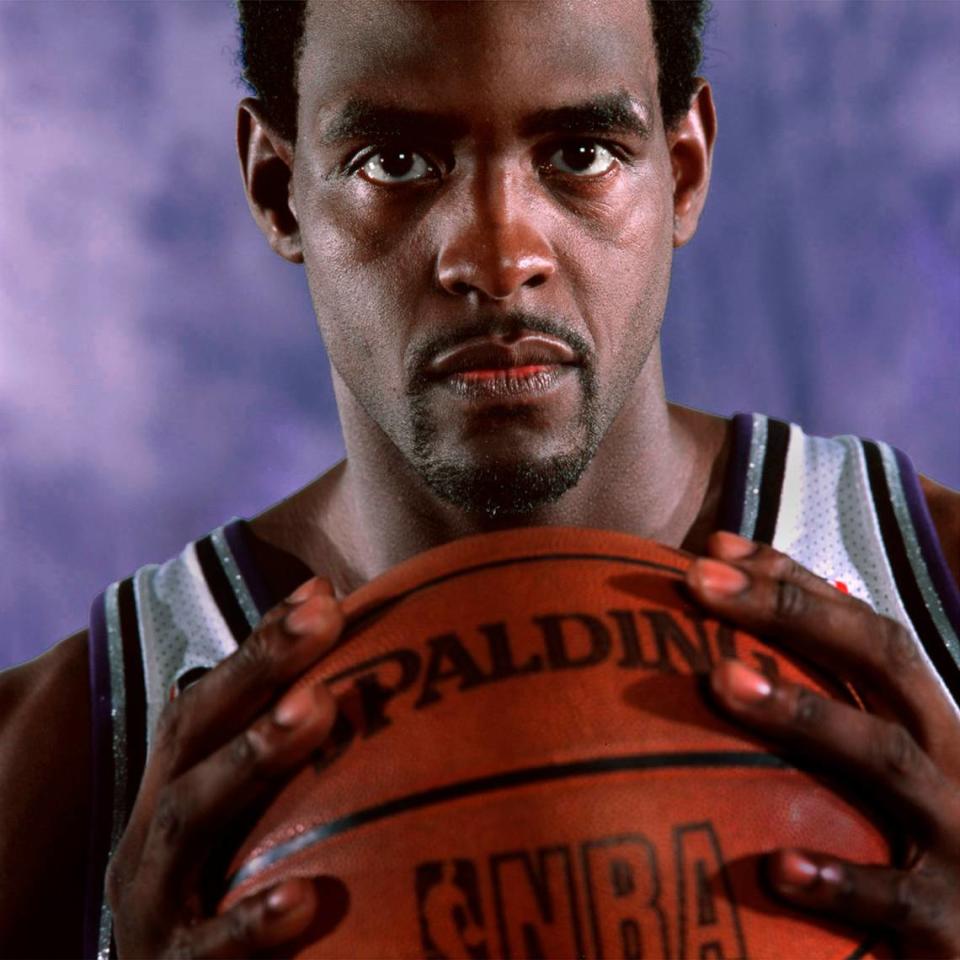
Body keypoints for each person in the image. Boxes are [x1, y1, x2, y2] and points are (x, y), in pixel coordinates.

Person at [1, 1, 958, 957]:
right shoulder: (56, 765)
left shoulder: (936, 593)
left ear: (685, 172)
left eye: (581, 154)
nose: (500, 259)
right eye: (397, 163)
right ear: (278, 187)